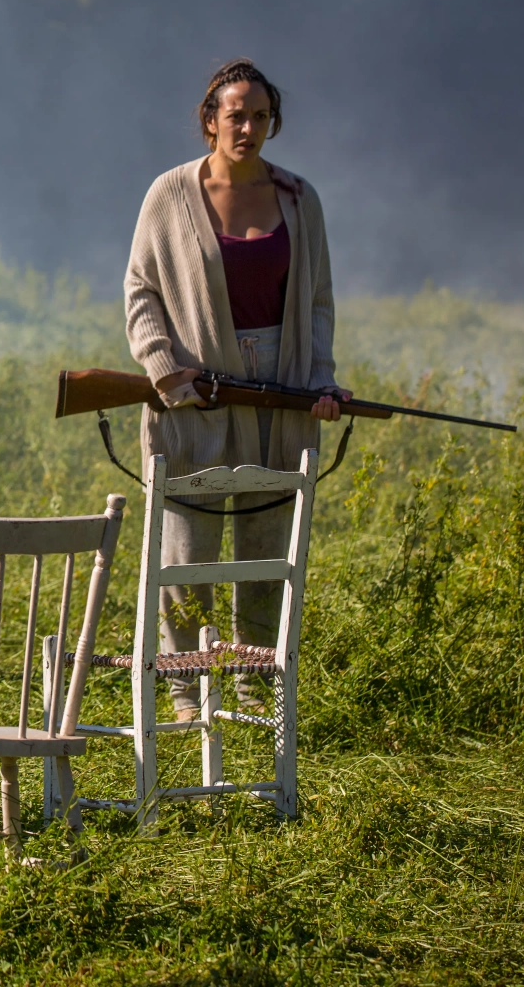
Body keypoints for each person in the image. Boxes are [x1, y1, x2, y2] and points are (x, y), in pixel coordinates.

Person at [124, 57, 351, 720]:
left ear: (272, 122)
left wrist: (318, 380)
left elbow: (318, 302)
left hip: (280, 394)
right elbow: (141, 291)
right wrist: (166, 369)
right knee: (186, 551)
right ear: (209, 121)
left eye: (259, 115)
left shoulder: (299, 198)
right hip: (199, 393)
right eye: (235, 115)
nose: (247, 126)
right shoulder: (169, 194)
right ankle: (187, 690)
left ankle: (255, 688)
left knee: (266, 544)